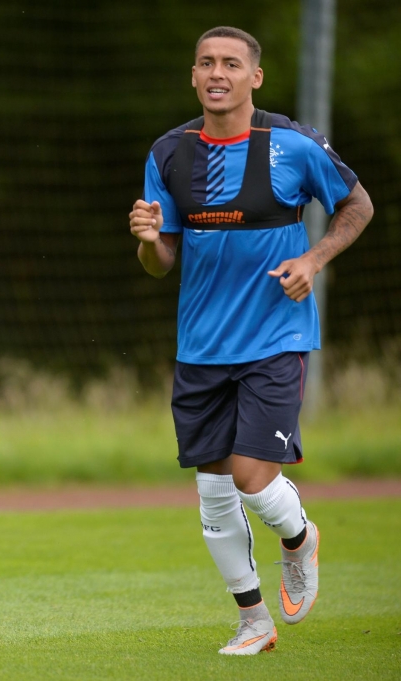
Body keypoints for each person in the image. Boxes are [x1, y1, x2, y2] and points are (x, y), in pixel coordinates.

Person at [128, 27, 373, 656]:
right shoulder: (169, 153)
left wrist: (314, 259)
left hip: (274, 334)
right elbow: (161, 262)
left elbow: (357, 206)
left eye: (231, 63)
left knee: (251, 478)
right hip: (201, 345)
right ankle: (254, 622)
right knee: (212, 489)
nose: (218, 72)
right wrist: (149, 237)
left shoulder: (290, 144)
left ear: (254, 77)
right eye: (206, 62)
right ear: (193, 75)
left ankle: (298, 538)